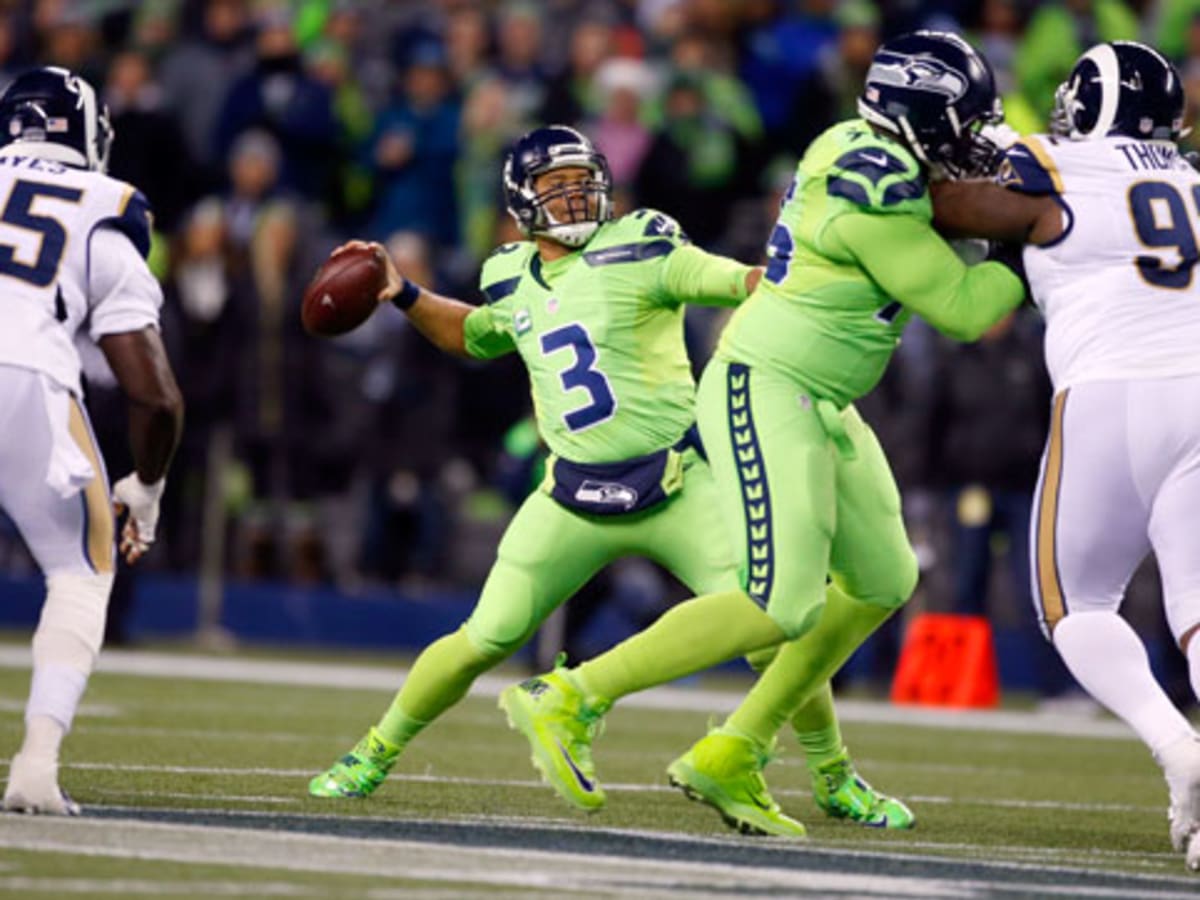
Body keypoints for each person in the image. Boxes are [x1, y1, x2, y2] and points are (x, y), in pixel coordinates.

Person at [308, 125, 912, 834]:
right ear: (519, 202)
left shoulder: (643, 244)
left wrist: (795, 279)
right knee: (486, 635)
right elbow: (476, 335)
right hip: (571, 493)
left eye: (579, 181)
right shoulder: (507, 272)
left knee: (770, 622)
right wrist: (404, 292)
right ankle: (373, 752)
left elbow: (732, 280)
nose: (571, 198)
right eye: (552, 188)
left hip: (676, 481)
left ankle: (833, 774)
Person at [498, 33, 1027, 835]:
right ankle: (570, 696)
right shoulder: (867, 193)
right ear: (917, 118)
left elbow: (949, 202)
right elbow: (965, 309)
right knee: (779, 602)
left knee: (884, 578)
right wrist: (1044, 242)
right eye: (960, 123)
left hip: (822, 395)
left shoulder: (862, 149)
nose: (971, 139)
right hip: (768, 384)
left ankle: (737, 746)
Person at [931, 40, 1200, 872]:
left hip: (1110, 395)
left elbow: (952, 207)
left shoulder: (1054, 160)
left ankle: (1176, 748)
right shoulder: (1193, 179)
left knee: (1072, 603)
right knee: (1195, 613)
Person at [0, 66, 184, 814]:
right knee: (81, 568)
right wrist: (147, 484)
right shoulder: (101, 209)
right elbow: (154, 394)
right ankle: (36, 766)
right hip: (25, 376)